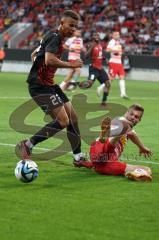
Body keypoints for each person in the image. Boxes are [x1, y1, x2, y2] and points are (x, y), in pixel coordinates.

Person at [15, 10, 90, 167]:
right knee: (63, 121)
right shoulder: (55, 37)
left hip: (49, 85)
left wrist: (38, 65)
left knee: (73, 119)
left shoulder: (55, 37)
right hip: (39, 87)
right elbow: (49, 61)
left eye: (75, 27)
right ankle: (28, 145)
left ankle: (78, 158)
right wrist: (71, 64)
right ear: (62, 23)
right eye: (70, 25)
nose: (72, 29)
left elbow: (34, 53)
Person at [81, 104, 152, 182]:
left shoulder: (130, 130)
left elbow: (132, 134)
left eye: (136, 117)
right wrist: (142, 147)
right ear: (126, 113)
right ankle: (105, 137)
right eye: (131, 114)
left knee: (147, 170)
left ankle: (133, 174)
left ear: (139, 120)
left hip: (107, 164)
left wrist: (142, 147)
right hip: (99, 150)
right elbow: (130, 131)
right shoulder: (119, 120)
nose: (133, 117)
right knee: (119, 132)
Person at [79, 33, 110, 106]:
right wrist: (91, 48)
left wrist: (105, 58)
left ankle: (103, 103)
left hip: (100, 68)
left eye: (98, 36)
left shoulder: (100, 46)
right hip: (94, 68)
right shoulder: (91, 45)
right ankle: (78, 84)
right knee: (89, 84)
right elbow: (86, 56)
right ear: (93, 38)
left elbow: (99, 56)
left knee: (108, 84)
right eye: (96, 36)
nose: (97, 37)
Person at [106, 31, 129, 99]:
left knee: (122, 77)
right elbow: (107, 49)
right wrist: (114, 50)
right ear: (112, 36)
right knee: (111, 79)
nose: (118, 36)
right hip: (113, 62)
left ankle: (123, 94)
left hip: (119, 62)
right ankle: (102, 89)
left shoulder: (118, 42)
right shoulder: (112, 41)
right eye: (116, 35)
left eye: (118, 34)